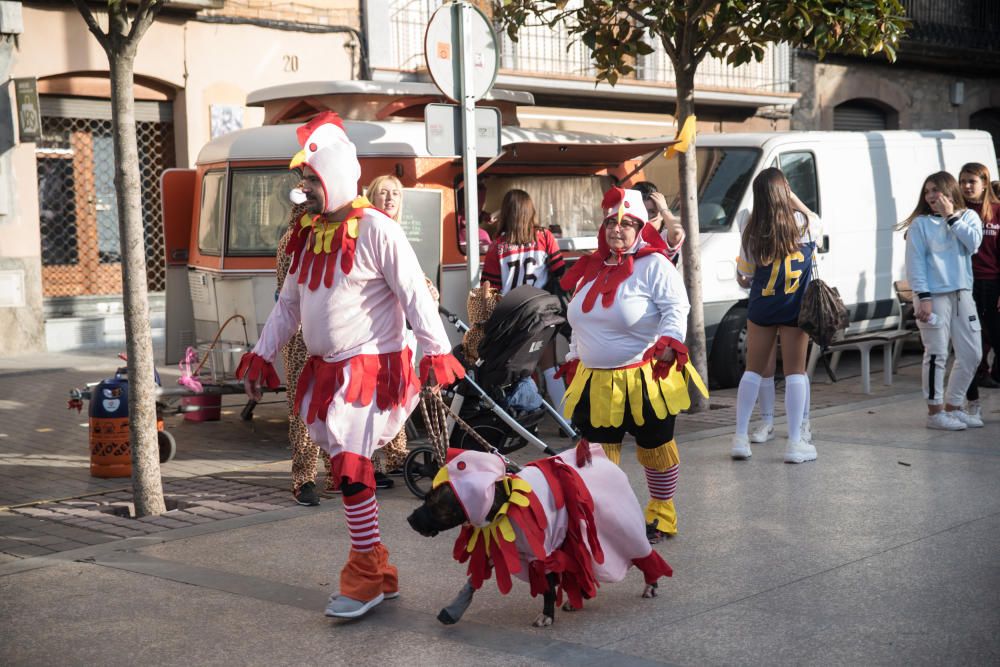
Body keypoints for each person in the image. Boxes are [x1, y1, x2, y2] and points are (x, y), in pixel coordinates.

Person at [237, 111, 463, 620]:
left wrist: (434, 350)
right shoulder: (307, 234)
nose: (303, 190)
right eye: (300, 181)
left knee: (352, 471)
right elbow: (288, 306)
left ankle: (364, 575)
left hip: (368, 369)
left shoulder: (378, 229)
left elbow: (414, 293)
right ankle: (379, 569)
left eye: (310, 180)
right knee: (346, 464)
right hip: (326, 369)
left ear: (334, 176)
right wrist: (262, 352)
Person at [557, 186, 708, 543]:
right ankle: (606, 519)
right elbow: (580, 320)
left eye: (626, 224)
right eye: (611, 222)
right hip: (596, 382)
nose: (617, 230)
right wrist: (573, 358)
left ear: (640, 227)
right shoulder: (590, 268)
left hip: (644, 378)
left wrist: (670, 342)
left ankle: (661, 515)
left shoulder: (653, 264)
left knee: (656, 451)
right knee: (597, 456)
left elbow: (676, 308)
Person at [731, 168, 820, 464]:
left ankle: (740, 438)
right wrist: (795, 199)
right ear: (786, 193)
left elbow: (745, 274)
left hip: (762, 306)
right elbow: (815, 220)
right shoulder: (806, 224)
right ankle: (795, 443)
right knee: (796, 372)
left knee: (752, 372)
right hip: (795, 307)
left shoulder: (752, 229)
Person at [900, 171, 983, 430]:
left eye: (936, 189)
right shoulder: (920, 225)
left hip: (962, 294)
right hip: (933, 297)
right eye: (927, 191)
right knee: (936, 353)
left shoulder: (967, 216)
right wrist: (922, 297)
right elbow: (915, 265)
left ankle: (954, 406)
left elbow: (974, 244)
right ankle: (935, 412)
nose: (932, 196)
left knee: (972, 354)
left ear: (949, 191)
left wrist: (951, 217)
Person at [482, 189, 567, 408]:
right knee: (550, 367)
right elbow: (561, 273)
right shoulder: (544, 237)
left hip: (512, 318)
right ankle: (567, 421)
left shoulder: (496, 247)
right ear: (531, 211)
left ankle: (528, 420)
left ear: (506, 214)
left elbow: (490, 291)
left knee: (521, 372)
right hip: (541, 313)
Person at [276, 200, 332, 506]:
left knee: (333, 404)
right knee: (304, 409)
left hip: (330, 335)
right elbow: (290, 299)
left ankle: (338, 473)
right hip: (301, 338)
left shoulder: (332, 236)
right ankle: (304, 479)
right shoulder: (294, 240)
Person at [364, 174, 417, 481]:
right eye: (382, 192)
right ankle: (366, 464)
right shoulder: (369, 231)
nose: (389, 198)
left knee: (396, 396)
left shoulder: (397, 231)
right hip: (372, 333)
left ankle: (394, 458)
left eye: (395, 193)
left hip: (399, 331)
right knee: (370, 400)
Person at [958, 163, 1000, 393]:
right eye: (962, 181)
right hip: (965, 282)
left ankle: (995, 374)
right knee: (973, 335)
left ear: (984, 183)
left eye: (971, 181)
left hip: (991, 282)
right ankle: (977, 378)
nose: (966, 186)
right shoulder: (956, 210)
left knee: (995, 333)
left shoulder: (997, 210)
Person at [634, 181, 685, 266]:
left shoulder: (663, 238)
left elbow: (676, 232)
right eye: (641, 211)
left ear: (662, 216)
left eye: (652, 212)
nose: (646, 217)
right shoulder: (627, 238)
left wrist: (664, 209)